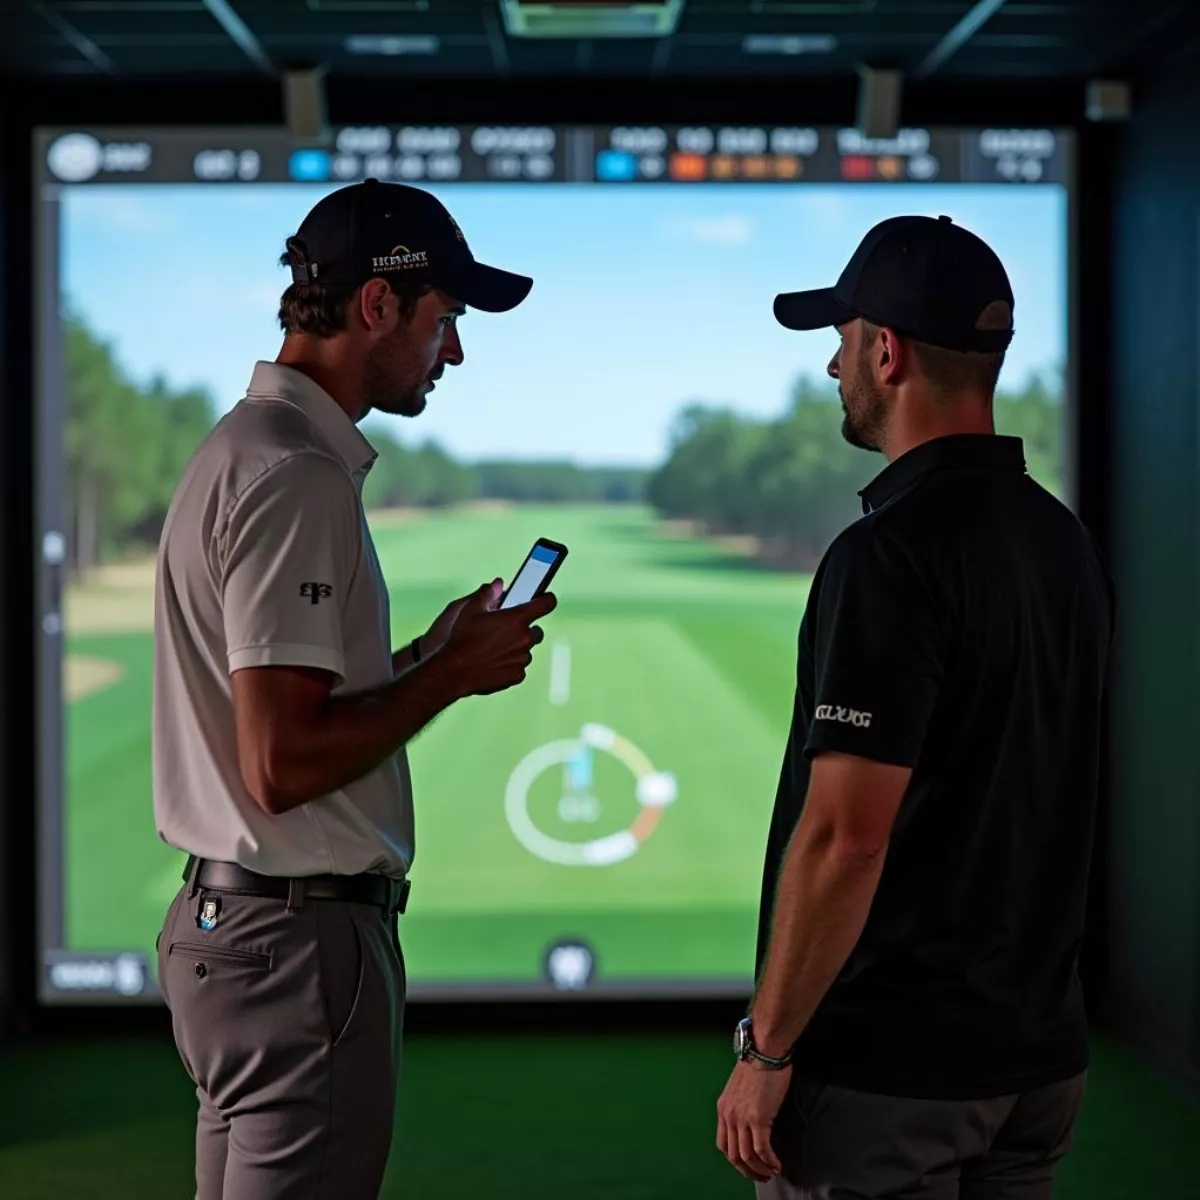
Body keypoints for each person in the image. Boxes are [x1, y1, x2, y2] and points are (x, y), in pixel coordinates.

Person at [152, 178, 557, 1200]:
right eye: (446, 318)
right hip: (296, 948)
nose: (453, 351)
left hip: (232, 933)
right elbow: (282, 763)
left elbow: (293, 712)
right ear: (378, 305)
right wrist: (452, 678)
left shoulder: (243, 448)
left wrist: (426, 655)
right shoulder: (296, 474)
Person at [716, 215, 1114, 1199]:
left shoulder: (886, 556)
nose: (831, 368)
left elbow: (846, 838)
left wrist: (766, 1054)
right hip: (1035, 1067)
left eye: (841, 341)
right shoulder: (1060, 540)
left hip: (888, 1079)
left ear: (885, 352)